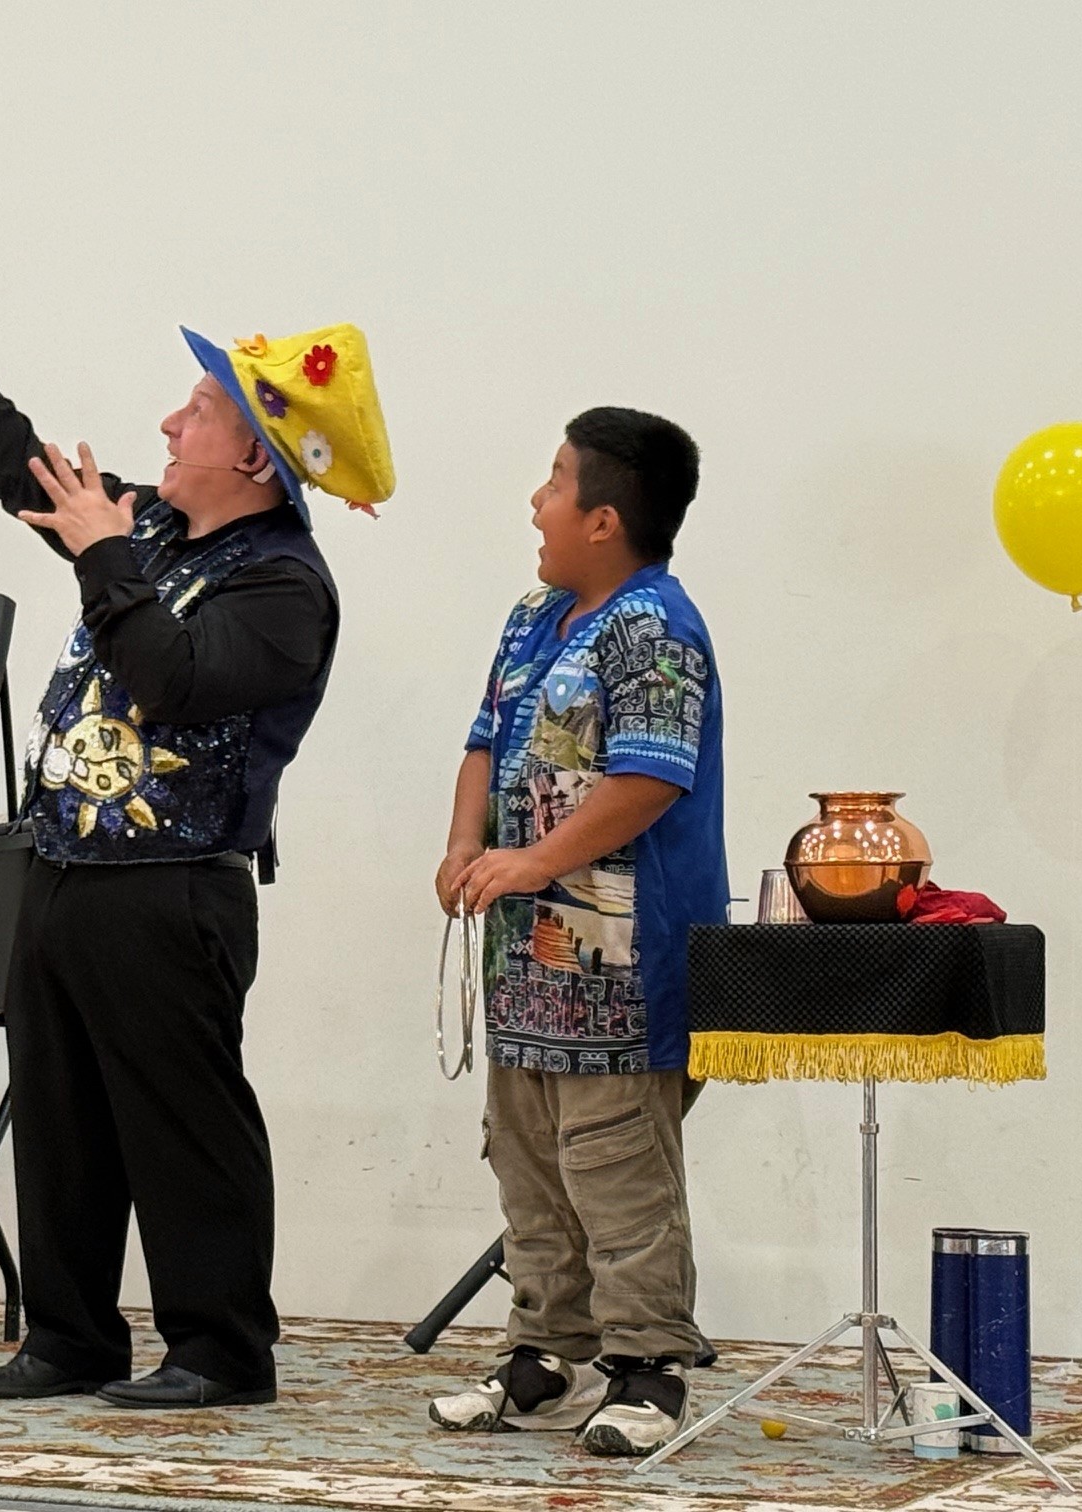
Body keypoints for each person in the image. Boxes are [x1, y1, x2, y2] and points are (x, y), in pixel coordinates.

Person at [0, 292, 392, 1407]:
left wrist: (106, 559)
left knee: (181, 1121)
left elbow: (170, 681)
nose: (170, 425)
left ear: (257, 462)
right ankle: (68, 1335)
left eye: (201, 412)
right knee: (61, 1109)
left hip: (175, 889)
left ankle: (219, 1349)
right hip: (65, 868)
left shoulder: (282, 585)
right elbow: (27, 476)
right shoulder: (155, 530)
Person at [425, 409, 726, 1455]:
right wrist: (468, 843)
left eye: (554, 481)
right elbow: (481, 740)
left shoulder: (657, 626)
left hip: (624, 966)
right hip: (527, 962)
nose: (535, 500)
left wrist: (539, 860)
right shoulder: (533, 616)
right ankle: (544, 1350)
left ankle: (648, 1369)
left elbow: (651, 775)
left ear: (604, 519)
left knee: (618, 1167)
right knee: (528, 1157)